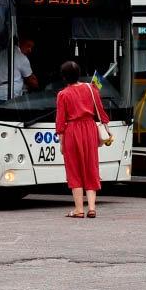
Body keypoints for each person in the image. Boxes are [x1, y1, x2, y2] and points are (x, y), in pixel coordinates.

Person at [53, 59, 111, 219]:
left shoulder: (63, 94)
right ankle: (92, 208)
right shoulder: (91, 89)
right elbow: (101, 112)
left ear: (64, 77)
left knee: (74, 170)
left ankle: (79, 209)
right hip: (90, 129)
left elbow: (60, 122)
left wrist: (62, 143)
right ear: (79, 74)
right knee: (91, 166)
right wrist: (106, 129)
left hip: (72, 131)